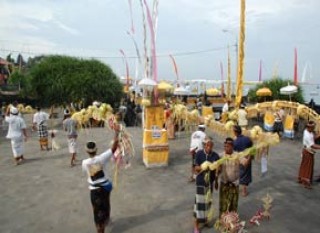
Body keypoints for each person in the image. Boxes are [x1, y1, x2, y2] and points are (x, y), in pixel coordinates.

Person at [82, 124, 120, 233]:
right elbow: (114, 147)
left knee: (98, 211)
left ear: (87, 151)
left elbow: (87, 172)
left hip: (94, 189)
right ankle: (106, 219)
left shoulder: (85, 163)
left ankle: (100, 228)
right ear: (96, 149)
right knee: (106, 204)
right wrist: (116, 133)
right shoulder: (102, 158)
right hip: (106, 187)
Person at [193, 137, 220, 233]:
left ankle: (205, 220)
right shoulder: (199, 154)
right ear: (204, 145)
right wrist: (202, 167)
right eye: (207, 145)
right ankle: (196, 225)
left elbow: (217, 171)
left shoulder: (216, 156)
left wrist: (216, 181)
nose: (209, 147)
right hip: (200, 182)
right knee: (199, 205)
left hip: (210, 183)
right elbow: (195, 168)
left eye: (210, 145)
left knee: (208, 204)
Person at [219, 138, 240, 216]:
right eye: (224, 146)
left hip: (234, 184)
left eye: (227, 146)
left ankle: (232, 222)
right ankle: (223, 221)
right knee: (223, 205)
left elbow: (245, 163)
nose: (225, 148)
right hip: (224, 183)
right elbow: (217, 168)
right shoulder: (220, 156)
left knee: (233, 204)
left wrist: (250, 155)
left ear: (232, 147)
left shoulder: (237, 155)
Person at [298, 121, 320, 189]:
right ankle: (306, 182)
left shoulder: (308, 131)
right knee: (308, 167)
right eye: (312, 128)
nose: (313, 129)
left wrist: (318, 135)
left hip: (307, 150)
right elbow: (312, 145)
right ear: (309, 127)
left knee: (304, 165)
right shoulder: (307, 135)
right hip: (308, 152)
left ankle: (301, 178)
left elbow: (313, 139)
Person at [233, 125, 253, 197]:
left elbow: (234, 152)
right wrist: (249, 158)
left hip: (239, 159)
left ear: (235, 133)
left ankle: (238, 189)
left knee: (238, 173)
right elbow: (252, 148)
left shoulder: (235, 142)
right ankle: (244, 191)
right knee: (245, 174)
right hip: (247, 158)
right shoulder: (247, 139)